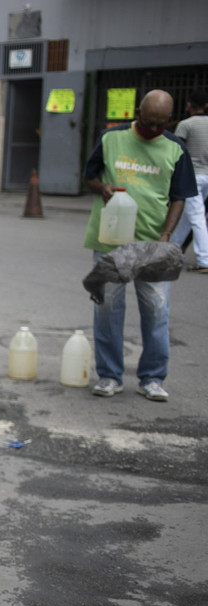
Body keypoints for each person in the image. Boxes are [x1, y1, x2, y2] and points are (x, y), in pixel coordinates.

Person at [83, 89, 197, 401]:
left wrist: (166, 237)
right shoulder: (111, 138)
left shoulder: (175, 148)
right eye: (148, 123)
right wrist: (101, 186)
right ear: (137, 113)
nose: (154, 130)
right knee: (108, 309)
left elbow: (180, 196)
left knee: (157, 310)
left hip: (153, 243)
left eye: (161, 125)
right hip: (111, 240)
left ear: (170, 121)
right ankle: (109, 376)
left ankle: (152, 378)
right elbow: (88, 177)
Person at [172, 90, 208, 274]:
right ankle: (173, 250)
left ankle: (204, 260)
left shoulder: (186, 125)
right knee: (187, 216)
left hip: (193, 176)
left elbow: (176, 152)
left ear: (189, 105)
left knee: (196, 217)